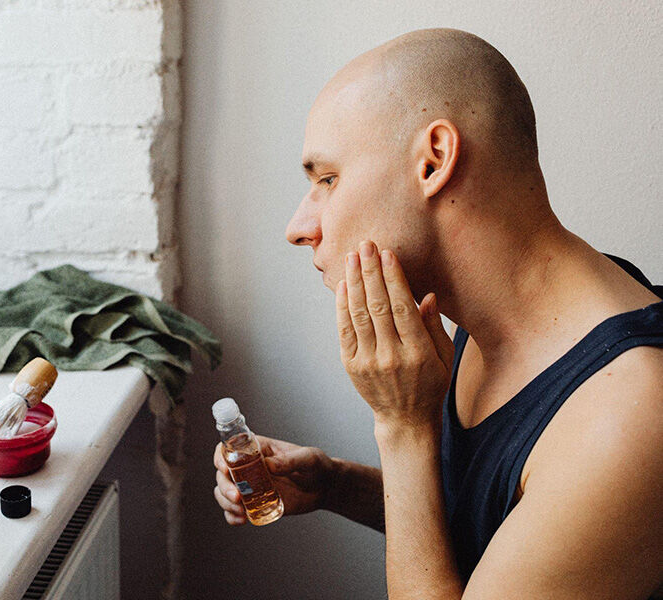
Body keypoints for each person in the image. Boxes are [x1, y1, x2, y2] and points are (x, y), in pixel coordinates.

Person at [212, 28, 663, 599]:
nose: (298, 228)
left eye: (328, 179)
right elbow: (503, 528)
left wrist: (403, 429)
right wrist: (335, 484)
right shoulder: (495, 315)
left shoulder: (623, 417)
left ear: (433, 161)